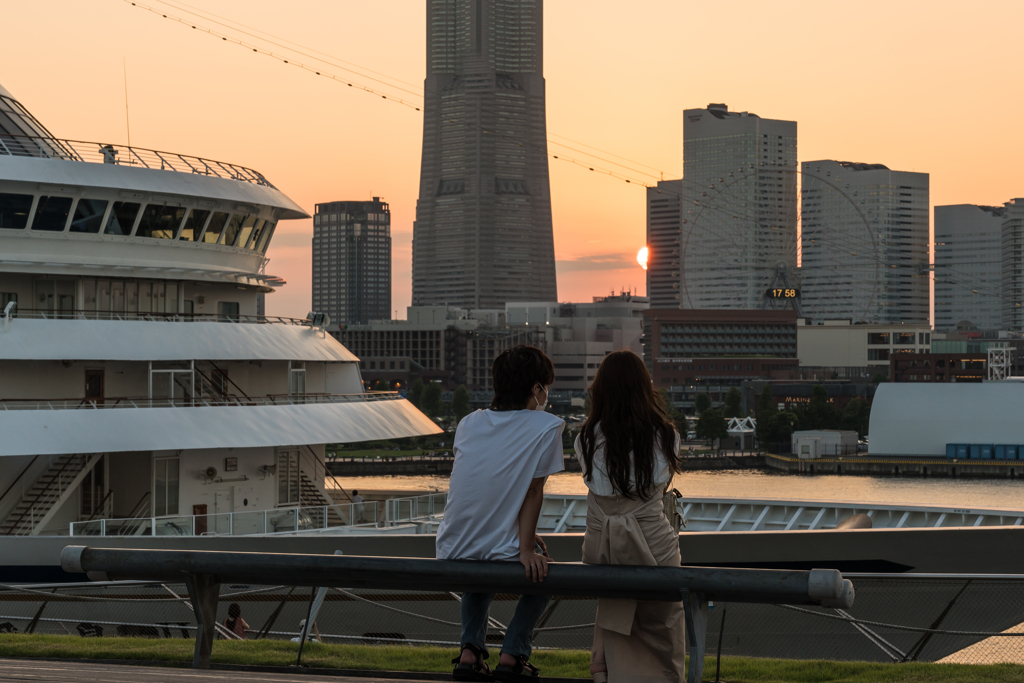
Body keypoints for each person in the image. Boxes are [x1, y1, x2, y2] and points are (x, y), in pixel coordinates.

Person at [436, 345, 565, 682]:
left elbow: (484, 487)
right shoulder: (547, 425)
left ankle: (471, 652)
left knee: (479, 568)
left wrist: (517, 536)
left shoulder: (468, 423)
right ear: (536, 389)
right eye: (545, 387)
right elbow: (532, 491)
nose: (546, 395)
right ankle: (513, 655)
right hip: (495, 551)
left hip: (451, 548)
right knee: (543, 573)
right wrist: (525, 549)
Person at [575, 349, 685, 683]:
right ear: (643, 387)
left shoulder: (585, 438)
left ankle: (608, 672)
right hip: (654, 542)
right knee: (662, 627)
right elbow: (660, 485)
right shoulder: (666, 435)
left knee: (615, 616)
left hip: (604, 546)